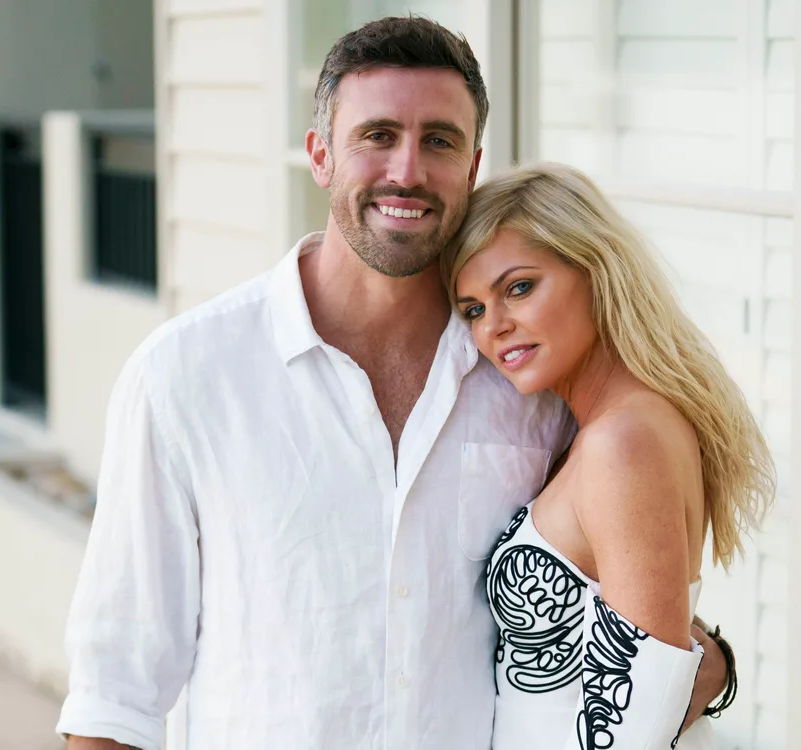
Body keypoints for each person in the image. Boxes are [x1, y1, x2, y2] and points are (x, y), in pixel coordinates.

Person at [56, 17, 730, 750]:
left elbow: (616, 602)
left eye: (438, 140)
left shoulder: (530, 380)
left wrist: (705, 667)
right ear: (320, 155)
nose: (407, 170)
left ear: (472, 167)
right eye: (377, 135)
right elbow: (113, 697)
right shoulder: (186, 376)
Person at [444, 162, 776, 748]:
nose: (494, 326)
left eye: (518, 287)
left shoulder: (622, 443)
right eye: (473, 309)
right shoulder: (616, 425)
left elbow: (631, 722)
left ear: (596, 272)